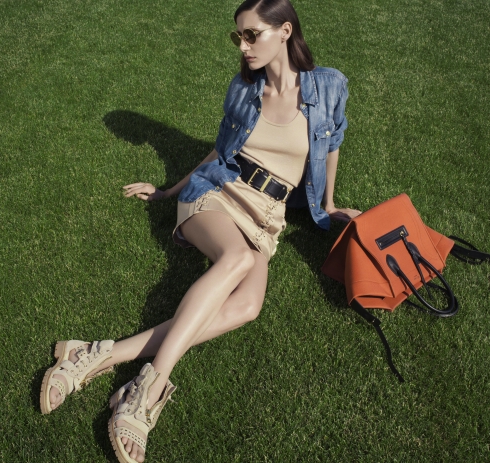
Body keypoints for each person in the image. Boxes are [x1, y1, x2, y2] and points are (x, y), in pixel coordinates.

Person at [39, 0, 361, 461]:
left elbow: (333, 143)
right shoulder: (244, 89)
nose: (243, 46)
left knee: (248, 306)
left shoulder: (329, 86)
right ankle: (148, 390)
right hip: (216, 193)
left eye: (252, 35)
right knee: (237, 259)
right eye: (238, 37)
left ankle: (95, 354)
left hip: (266, 215)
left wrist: (328, 205)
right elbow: (220, 152)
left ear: (285, 31)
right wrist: (169, 191)